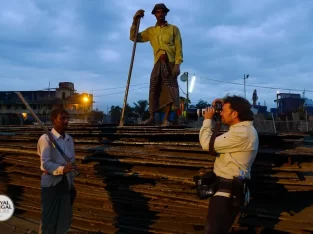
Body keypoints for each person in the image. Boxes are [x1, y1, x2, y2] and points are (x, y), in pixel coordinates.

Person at [199, 95, 259, 234]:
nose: (221, 113)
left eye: (224, 111)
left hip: (227, 193)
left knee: (214, 231)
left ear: (235, 113)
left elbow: (207, 145)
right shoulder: (242, 130)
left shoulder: (242, 133)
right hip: (226, 190)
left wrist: (207, 121)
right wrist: (222, 104)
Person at [130, 3, 183, 126]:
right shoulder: (151, 31)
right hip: (157, 62)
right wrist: (135, 20)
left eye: (162, 12)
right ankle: (152, 117)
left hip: (170, 62)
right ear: (154, 15)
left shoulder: (173, 29)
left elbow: (179, 47)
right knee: (154, 87)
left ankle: (166, 119)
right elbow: (133, 37)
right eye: (158, 12)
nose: (160, 14)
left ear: (165, 13)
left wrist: (177, 64)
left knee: (170, 89)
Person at [37, 107, 77, 234]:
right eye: (62, 118)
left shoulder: (69, 139)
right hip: (51, 184)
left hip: (66, 183)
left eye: (67, 118)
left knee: (63, 218)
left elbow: (71, 161)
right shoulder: (46, 139)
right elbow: (45, 164)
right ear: (54, 120)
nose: (66, 121)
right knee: (49, 218)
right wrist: (62, 169)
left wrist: (72, 172)